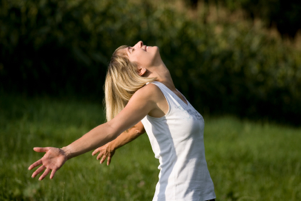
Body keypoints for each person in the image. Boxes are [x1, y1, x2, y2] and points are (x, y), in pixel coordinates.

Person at [28, 41, 216, 201]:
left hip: (204, 194)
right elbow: (112, 127)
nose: (139, 43)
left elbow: (141, 127)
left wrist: (113, 145)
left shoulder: (174, 94)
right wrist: (65, 151)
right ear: (140, 70)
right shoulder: (150, 92)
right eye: (132, 50)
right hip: (178, 195)